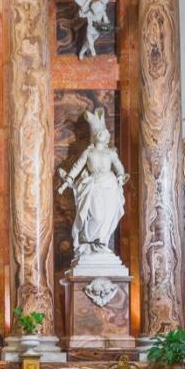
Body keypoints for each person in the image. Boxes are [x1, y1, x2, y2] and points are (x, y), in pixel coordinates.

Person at [59, 107, 128, 263]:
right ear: (95, 136)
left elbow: (119, 167)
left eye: (103, 132)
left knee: (108, 216)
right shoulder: (89, 152)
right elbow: (77, 166)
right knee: (96, 216)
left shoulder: (111, 153)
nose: (102, 134)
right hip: (94, 186)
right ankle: (89, 243)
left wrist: (121, 177)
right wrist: (68, 180)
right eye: (99, 132)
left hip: (109, 186)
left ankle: (101, 243)